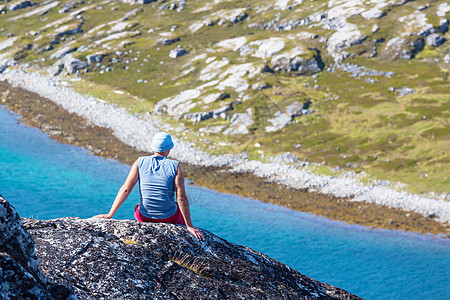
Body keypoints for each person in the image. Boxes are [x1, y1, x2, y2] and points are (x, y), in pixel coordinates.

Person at [93, 132, 204, 240]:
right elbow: (181, 197)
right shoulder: (175, 166)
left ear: (153, 147)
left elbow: (125, 189)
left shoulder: (139, 162)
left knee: (138, 207)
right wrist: (189, 226)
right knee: (176, 206)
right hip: (168, 218)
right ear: (170, 148)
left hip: (144, 217)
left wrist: (110, 214)